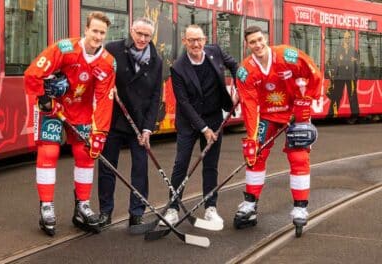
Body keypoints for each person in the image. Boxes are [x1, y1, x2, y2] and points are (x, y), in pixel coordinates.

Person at [24, 12, 116, 236]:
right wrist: (44, 99)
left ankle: (82, 207)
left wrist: (100, 133)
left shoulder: (107, 63)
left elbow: (105, 100)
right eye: (94, 30)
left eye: (102, 32)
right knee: (49, 151)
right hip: (53, 108)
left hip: (80, 111)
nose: (97, 36)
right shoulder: (64, 48)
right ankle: (46, 206)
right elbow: (33, 73)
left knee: (86, 153)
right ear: (86, 29)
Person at [233, 26, 321, 231]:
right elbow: (249, 105)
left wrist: (306, 100)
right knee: (255, 156)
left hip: (294, 111)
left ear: (265, 39)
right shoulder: (245, 71)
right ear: (247, 45)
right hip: (267, 115)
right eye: (252, 42)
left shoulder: (287, 55)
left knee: (299, 157)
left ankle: (300, 208)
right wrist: (252, 138)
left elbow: (313, 72)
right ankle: (250, 204)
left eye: (260, 40)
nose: (258, 45)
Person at [160, 24, 238, 227]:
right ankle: (172, 208)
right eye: (191, 40)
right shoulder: (178, 67)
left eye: (199, 39)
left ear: (205, 40)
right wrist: (204, 129)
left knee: (210, 165)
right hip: (189, 122)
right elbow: (183, 103)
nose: (196, 44)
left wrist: (240, 87)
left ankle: (210, 208)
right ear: (185, 41)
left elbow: (237, 67)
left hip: (214, 117)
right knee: (181, 164)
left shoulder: (215, 52)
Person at [97, 17, 162, 228]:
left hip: (139, 123)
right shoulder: (113, 49)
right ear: (131, 31)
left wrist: (148, 128)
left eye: (147, 36)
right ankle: (105, 212)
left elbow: (155, 96)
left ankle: (137, 212)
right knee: (108, 167)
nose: (142, 39)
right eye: (139, 34)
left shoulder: (156, 60)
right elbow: (99, 76)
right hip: (114, 120)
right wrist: (108, 88)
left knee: (140, 169)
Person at [327, 30, 360, 119]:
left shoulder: (354, 50)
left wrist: (356, 75)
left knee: (353, 96)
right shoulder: (338, 49)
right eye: (345, 38)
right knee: (336, 95)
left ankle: (355, 114)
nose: (347, 39)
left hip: (351, 76)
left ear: (350, 39)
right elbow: (334, 62)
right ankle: (331, 113)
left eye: (349, 38)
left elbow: (357, 63)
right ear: (343, 39)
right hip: (339, 76)